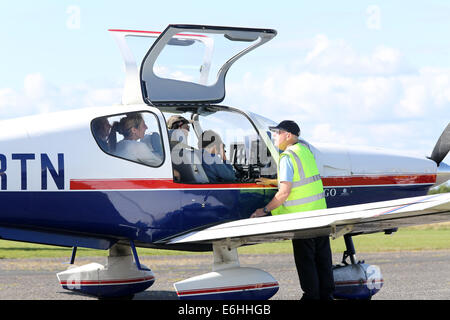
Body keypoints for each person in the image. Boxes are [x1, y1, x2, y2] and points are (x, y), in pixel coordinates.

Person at [250, 120, 334, 300]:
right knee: (323, 261)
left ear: (287, 135)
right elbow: (302, 180)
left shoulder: (287, 157)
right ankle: (326, 297)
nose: (274, 137)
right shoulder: (304, 152)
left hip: (302, 221)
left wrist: (263, 210)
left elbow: (284, 193)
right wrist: (274, 182)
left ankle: (311, 298)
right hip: (320, 216)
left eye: (277, 133)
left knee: (307, 263)